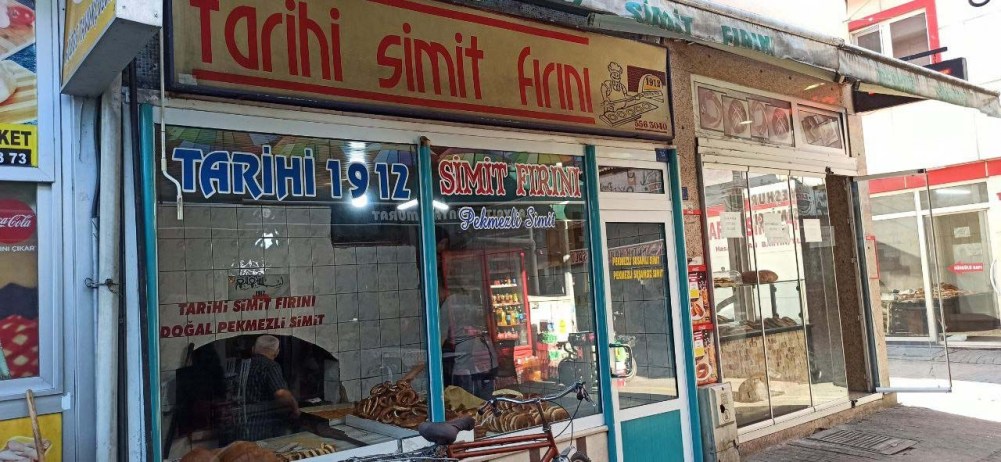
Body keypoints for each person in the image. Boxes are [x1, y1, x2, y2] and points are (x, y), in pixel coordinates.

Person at [239, 335, 299, 441]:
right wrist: (295, 408)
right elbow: (281, 394)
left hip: (243, 425)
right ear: (276, 352)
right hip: (263, 426)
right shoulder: (270, 366)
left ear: (253, 349)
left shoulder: (244, 365)